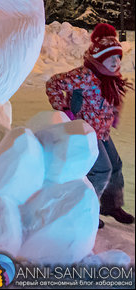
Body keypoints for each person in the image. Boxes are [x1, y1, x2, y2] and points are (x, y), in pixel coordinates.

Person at [46, 23, 134, 228]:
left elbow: (111, 99)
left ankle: (110, 205)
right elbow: (53, 84)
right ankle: (86, 210)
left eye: (118, 57)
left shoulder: (110, 77)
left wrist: (113, 114)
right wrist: (65, 109)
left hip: (101, 130)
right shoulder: (84, 76)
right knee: (102, 170)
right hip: (86, 131)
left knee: (116, 166)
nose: (115, 62)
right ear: (100, 58)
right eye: (110, 57)